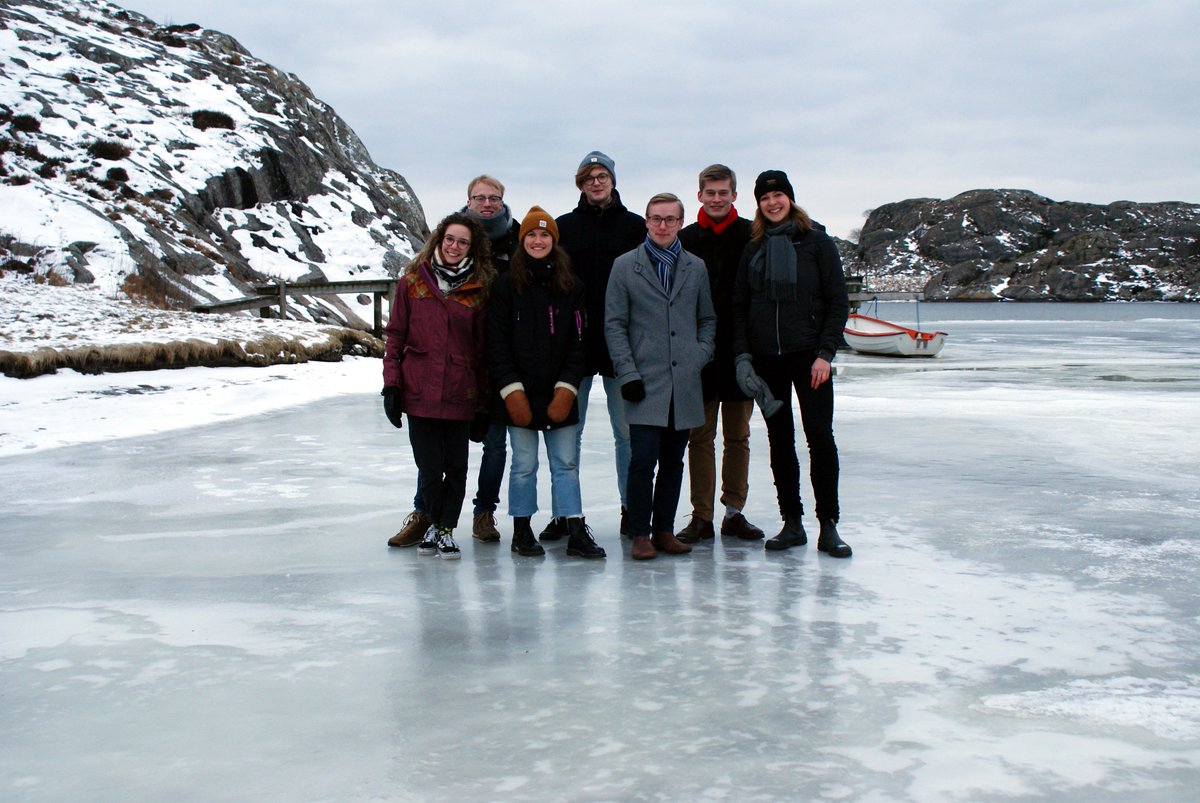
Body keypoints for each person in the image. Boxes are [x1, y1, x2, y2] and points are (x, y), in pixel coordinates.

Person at [394, 176, 520, 546]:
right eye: (479, 197)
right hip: (433, 377)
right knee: (431, 459)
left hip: (486, 368)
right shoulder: (422, 272)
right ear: (467, 202)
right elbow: (399, 333)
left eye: (493, 197)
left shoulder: (515, 243)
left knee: (490, 447)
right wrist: (393, 383)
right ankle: (427, 514)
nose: (486, 203)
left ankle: (482, 513)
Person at [731, 170, 852, 557]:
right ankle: (792, 522)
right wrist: (744, 355)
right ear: (758, 205)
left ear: (790, 198)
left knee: (820, 438)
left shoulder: (816, 242)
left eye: (778, 195)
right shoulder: (753, 248)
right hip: (768, 360)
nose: (772, 203)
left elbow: (837, 301)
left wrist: (825, 354)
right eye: (765, 198)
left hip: (809, 358)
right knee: (780, 442)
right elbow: (739, 307)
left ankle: (828, 525)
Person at [487, 206, 605, 559]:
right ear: (523, 241)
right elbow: (497, 344)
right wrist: (511, 391)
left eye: (545, 235)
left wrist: (568, 388)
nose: (538, 241)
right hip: (519, 393)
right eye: (532, 235)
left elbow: (580, 343)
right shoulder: (506, 285)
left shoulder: (572, 286)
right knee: (524, 464)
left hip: (559, 392)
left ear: (554, 241)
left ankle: (574, 529)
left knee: (565, 463)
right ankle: (521, 530)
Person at [605, 193, 716, 560]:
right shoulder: (624, 266)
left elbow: (707, 320)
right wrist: (627, 372)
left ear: (680, 222)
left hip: (683, 381)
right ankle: (640, 532)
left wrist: (698, 355)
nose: (662, 225)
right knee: (642, 460)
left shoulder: (695, 267)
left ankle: (664, 530)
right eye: (656, 219)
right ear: (647, 222)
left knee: (673, 461)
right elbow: (615, 325)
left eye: (670, 219)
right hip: (643, 381)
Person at [382, 212, 496, 559]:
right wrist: (391, 386)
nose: (455, 246)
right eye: (450, 239)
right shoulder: (413, 282)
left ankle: (444, 530)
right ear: (439, 240)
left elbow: (482, 348)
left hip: (460, 390)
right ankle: (433, 520)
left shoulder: (479, 289)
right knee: (430, 469)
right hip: (420, 389)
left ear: (471, 247)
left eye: (463, 242)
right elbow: (395, 336)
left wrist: (483, 402)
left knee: (457, 468)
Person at [551, 151, 646, 541]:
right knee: (567, 432)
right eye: (589, 177)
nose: (596, 182)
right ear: (580, 183)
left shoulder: (635, 227)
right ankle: (564, 513)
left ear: (613, 180)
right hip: (574, 346)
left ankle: (631, 509)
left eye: (602, 175)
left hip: (622, 346)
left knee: (625, 433)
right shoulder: (563, 227)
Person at [675, 164, 767, 545]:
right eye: (710, 192)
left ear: (733, 195)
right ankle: (702, 516)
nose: (716, 198)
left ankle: (734, 511)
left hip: (742, 348)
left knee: (739, 435)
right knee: (700, 437)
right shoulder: (685, 238)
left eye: (723, 192)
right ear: (699, 195)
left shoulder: (751, 234)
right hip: (699, 354)